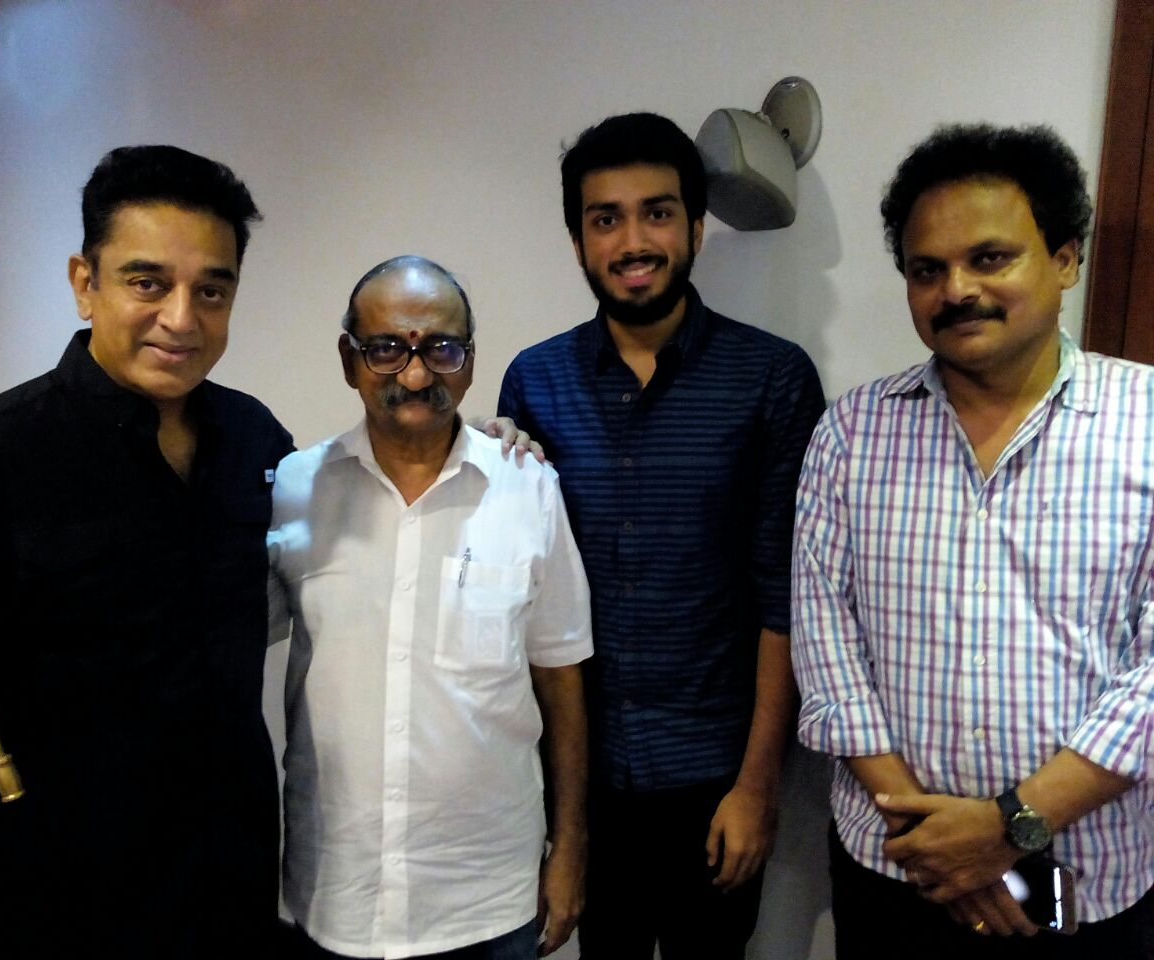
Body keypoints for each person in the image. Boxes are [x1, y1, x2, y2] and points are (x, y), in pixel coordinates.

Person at [0, 145, 293, 960]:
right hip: (53, 916)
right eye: (148, 282)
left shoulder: (256, 441)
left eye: (211, 290)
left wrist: (481, 447)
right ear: (84, 282)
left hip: (229, 900)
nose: (182, 318)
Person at [791, 123, 1154, 958]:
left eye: (990, 258)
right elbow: (826, 644)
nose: (956, 290)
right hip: (897, 867)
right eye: (927, 270)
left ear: (1065, 259)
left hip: (1085, 877)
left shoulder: (1145, 423)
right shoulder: (853, 433)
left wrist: (1011, 826)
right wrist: (937, 846)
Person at [497, 113, 826, 959]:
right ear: (578, 241)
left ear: (696, 228)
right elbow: (524, 589)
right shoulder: (535, 381)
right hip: (583, 776)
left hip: (716, 775)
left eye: (658, 212)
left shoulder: (772, 378)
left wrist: (758, 787)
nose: (633, 241)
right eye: (606, 218)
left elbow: (785, 596)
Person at [269, 256, 593, 960]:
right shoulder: (295, 490)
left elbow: (561, 681)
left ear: (470, 360)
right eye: (386, 348)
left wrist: (570, 846)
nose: (416, 375)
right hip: (336, 891)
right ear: (349, 359)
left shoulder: (528, 488)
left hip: (487, 898)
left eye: (441, 348)